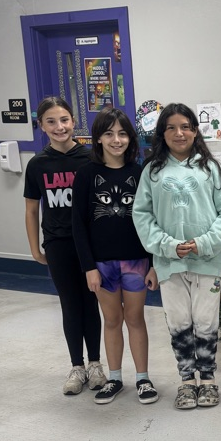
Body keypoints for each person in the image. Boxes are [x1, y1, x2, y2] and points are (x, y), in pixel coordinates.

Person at [132, 103, 221, 410]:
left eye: (186, 127)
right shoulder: (152, 171)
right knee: (179, 322)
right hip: (169, 263)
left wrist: (204, 243)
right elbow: (142, 215)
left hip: (207, 261)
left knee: (206, 321)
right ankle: (187, 381)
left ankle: (208, 379)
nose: (179, 133)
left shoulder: (211, 168)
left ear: (195, 131)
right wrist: (166, 246)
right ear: (162, 133)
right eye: (171, 128)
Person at [72, 108, 159, 406]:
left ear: (130, 138)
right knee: (111, 320)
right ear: (98, 138)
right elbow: (78, 225)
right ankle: (115, 378)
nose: (116, 140)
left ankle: (143, 378)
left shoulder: (140, 173)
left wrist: (153, 264)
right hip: (102, 265)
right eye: (109, 134)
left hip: (137, 262)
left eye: (122, 133)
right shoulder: (86, 174)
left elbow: (152, 220)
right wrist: (89, 267)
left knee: (135, 318)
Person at [24, 96, 107, 396]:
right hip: (57, 243)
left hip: (90, 245)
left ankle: (95, 364)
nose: (59, 127)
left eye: (64, 120)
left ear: (74, 121)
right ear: (41, 126)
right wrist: (35, 249)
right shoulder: (37, 164)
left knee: (91, 303)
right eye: (51, 121)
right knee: (70, 304)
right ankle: (77, 366)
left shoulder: (90, 159)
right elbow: (31, 209)